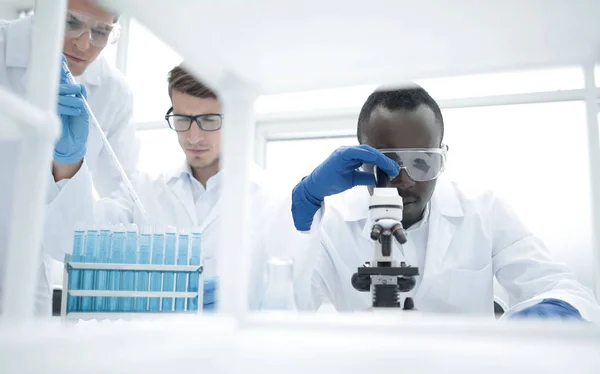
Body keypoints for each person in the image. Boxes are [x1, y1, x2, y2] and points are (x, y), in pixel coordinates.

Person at [291, 85, 600, 323]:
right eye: (386, 163)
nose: (404, 180)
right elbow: (287, 308)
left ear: (442, 156)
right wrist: (305, 209)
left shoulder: (484, 211)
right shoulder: (331, 225)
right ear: (361, 161)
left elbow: (565, 290)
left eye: (422, 162)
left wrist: (543, 318)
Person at [46, 64, 305, 310]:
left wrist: (243, 313)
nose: (193, 136)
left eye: (209, 120)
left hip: (238, 352)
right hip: (156, 350)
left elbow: (291, 301)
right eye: (182, 119)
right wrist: (68, 163)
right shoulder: (143, 190)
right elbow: (71, 243)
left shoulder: (275, 199)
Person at [0, 0, 140, 316]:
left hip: (24, 281)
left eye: (102, 31)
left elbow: (125, 203)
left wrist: (70, 169)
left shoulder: (112, 93)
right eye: (71, 22)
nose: (84, 43)